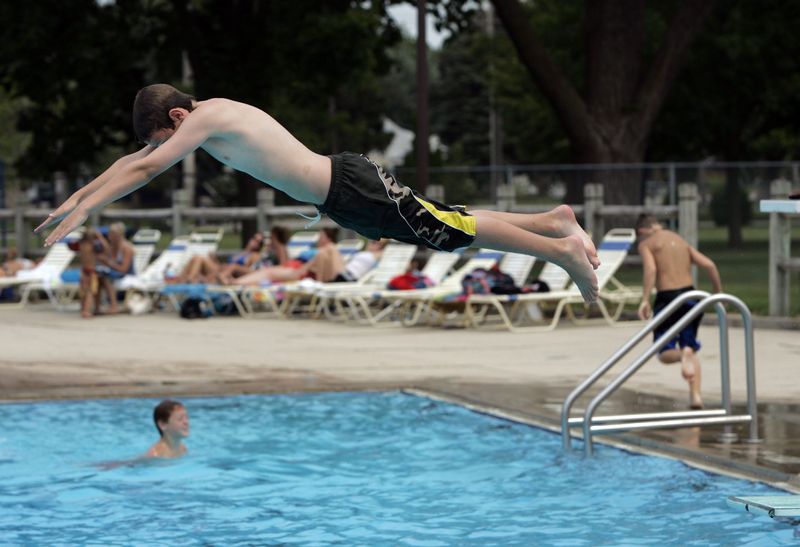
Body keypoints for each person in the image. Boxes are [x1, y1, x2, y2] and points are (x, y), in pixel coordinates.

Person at [36, 84, 600, 302]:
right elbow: (133, 161)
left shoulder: (209, 118)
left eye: (171, 137)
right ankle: (553, 220)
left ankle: (562, 252)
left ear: (178, 116)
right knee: (447, 219)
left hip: (347, 185)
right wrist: (75, 202)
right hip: (341, 195)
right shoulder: (204, 119)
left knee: (450, 233)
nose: (175, 147)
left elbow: (149, 168)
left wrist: (88, 207)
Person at [635, 214, 722, 410]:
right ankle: (696, 397)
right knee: (689, 347)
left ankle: (683, 356)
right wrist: (718, 295)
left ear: (642, 231)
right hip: (691, 299)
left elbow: (650, 270)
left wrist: (645, 299)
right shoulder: (680, 240)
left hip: (668, 300)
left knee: (664, 351)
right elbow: (710, 265)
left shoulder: (647, 243)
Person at [233, 227, 344, 285]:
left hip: (298, 269)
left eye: (321, 236)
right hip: (295, 266)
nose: (319, 238)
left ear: (328, 238)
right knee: (266, 273)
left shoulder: (328, 249)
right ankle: (237, 282)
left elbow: (331, 267)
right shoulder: (322, 249)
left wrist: (303, 271)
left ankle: (236, 283)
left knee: (268, 274)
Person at [173, 231, 265, 284]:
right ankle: (182, 279)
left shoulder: (254, 255)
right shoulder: (242, 253)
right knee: (195, 258)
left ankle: (187, 280)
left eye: (258, 242)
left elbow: (253, 272)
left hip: (225, 275)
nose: (254, 242)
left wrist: (234, 268)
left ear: (260, 246)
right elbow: (225, 265)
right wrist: (215, 259)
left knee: (199, 258)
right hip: (220, 269)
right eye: (254, 238)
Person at [96, 222, 135, 313]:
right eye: (109, 234)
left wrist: (108, 262)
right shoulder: (111, 246)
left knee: (106, 277)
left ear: (119, 235)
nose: (110, 236)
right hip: (114, 273)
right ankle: (97, 307)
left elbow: (124, 269)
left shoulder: (127, 248)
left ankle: (114, 306)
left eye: (112, 234)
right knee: (97, 276)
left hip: (127, 275)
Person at [77, 228, 102, 318]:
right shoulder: (93, 246)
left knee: (83, 292)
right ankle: (86, 311)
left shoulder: (81, 245)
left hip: (83, 270)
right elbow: (105, 248)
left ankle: (83, 309)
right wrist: (100, 237)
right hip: (91, 271)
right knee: (90, 292)